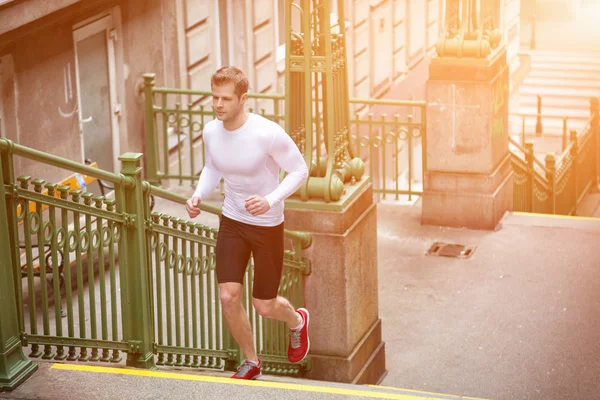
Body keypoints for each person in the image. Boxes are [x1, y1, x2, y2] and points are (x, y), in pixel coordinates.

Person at [185, 66, 310, 380]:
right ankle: (251, 360)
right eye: (214, 97)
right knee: (228, 296)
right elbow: (212, 166)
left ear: (243, 98)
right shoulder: (211, 131)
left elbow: (299, 170)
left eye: (226, 99)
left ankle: (296, 321)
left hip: (267, 226)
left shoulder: (267, 133)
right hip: (233, 222)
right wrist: (198, 194)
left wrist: (270, 199)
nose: (218, 105)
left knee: (264, 305)